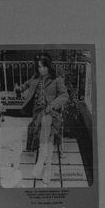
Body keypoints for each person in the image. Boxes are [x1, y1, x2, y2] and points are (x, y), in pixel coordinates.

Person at [15, 54, 69, 184]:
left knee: (47, 121)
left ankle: (41, 162)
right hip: (38, 114)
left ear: (49, 66)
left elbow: (64, 95)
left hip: (52, 112)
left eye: (44, 66)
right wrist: (20, 88)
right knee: (48, 133)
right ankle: (47, 166)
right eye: (39, 67)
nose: (41, 69)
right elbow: (27, 84)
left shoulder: (57, 79)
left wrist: (51, 106)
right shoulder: (36, 77)